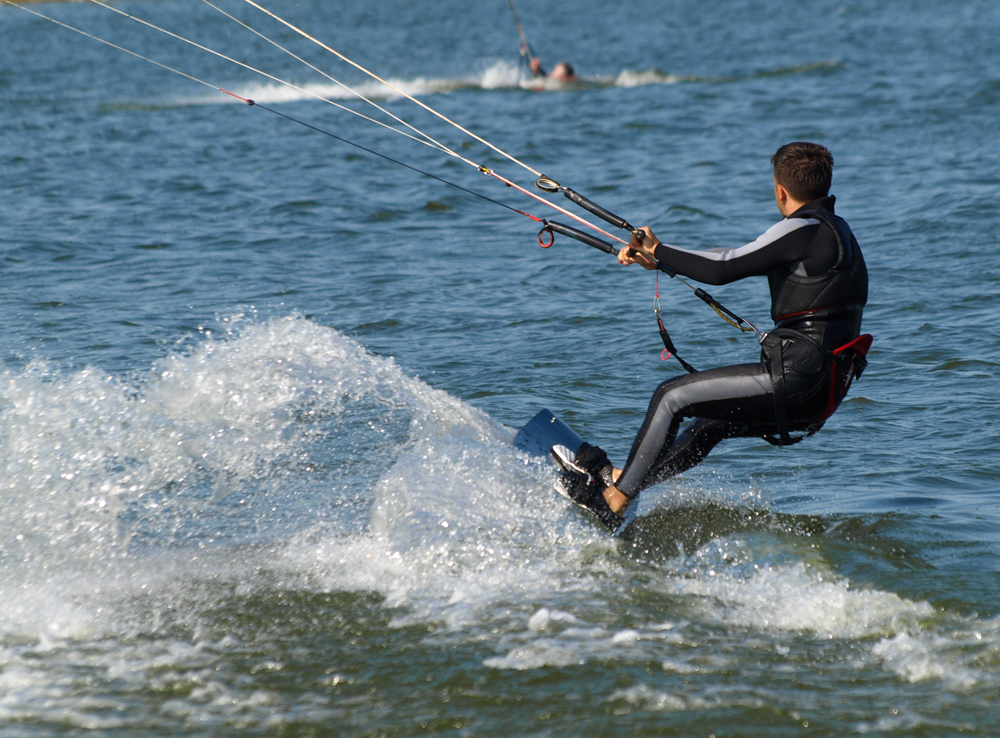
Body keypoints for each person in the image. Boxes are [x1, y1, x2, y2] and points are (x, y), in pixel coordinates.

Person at [558, 142, 870, 531]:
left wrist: (659, 248)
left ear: (780, 191)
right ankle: (627, 484)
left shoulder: (802, 230)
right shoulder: (839, 233)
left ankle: (614, 500)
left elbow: (725, 267)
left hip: (797, 377)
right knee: (709, 424)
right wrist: (662, 256)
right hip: (823, 391)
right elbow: (739, 253)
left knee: (671, 396)